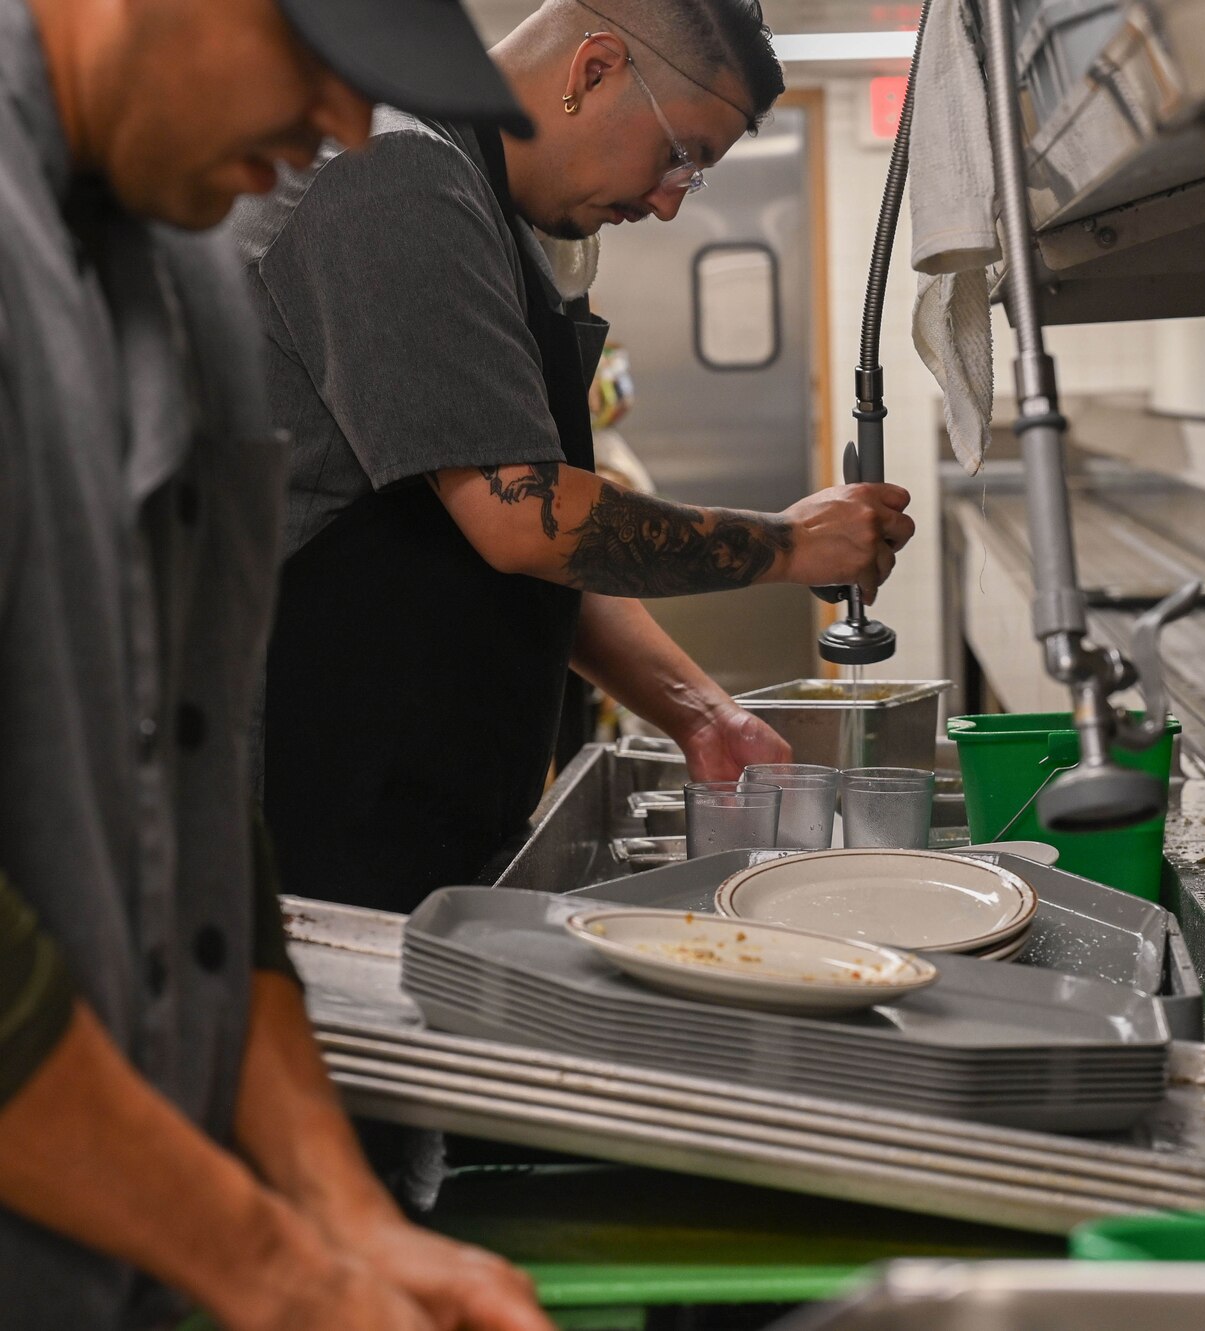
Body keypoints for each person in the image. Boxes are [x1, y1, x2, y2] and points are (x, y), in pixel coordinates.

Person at [0, 0, 563, 1324]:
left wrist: (344, 1216)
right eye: (321, 62)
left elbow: (197, 801)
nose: (346, 129)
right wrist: (273, 1266)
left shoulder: (189, 264)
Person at [230, 0, 916, 913]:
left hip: (409, 803)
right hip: (301, 818)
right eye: (684, 155)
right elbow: (527, 516)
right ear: (592, 70)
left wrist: (700, 712)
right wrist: (790, 543)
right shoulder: (392, 173)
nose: (671, 201)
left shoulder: (484, 209)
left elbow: (522, 543)